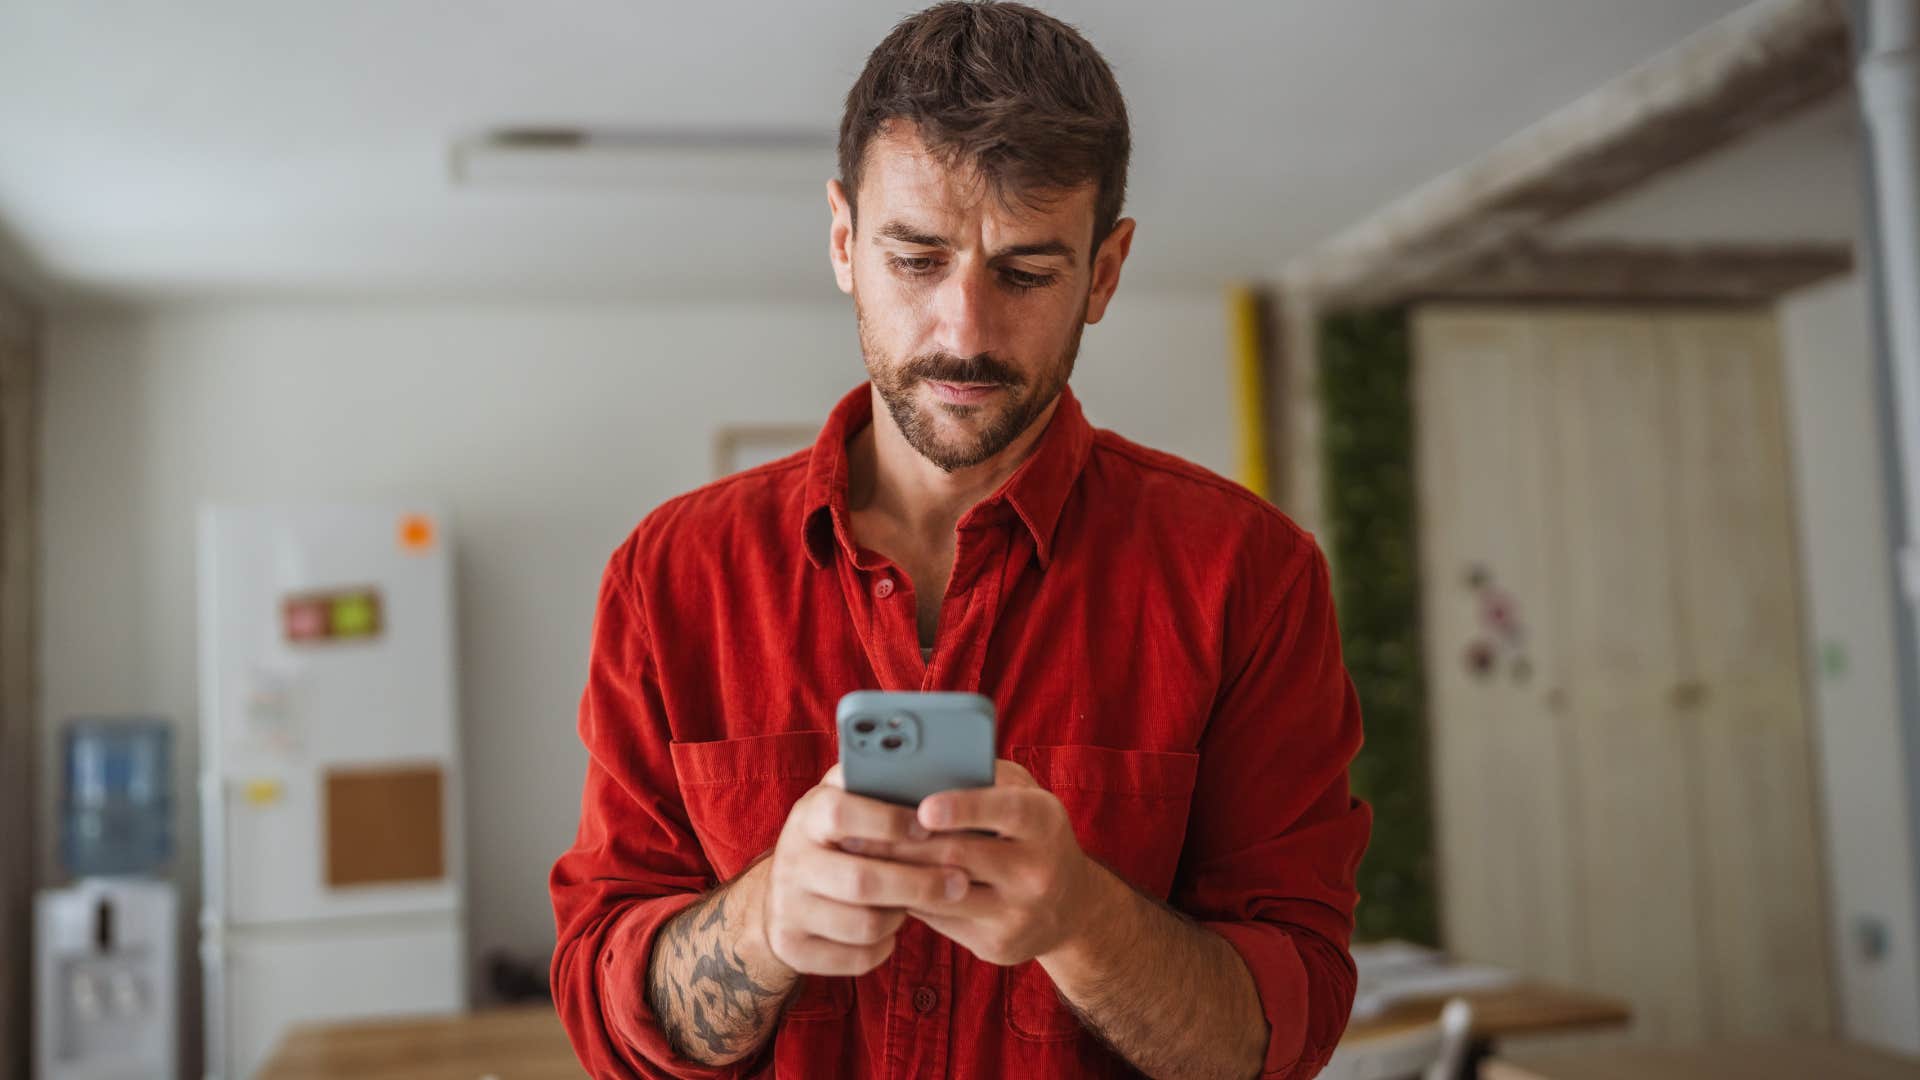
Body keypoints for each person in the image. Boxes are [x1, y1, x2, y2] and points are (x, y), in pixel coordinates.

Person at [549, 3, 1371, 1076]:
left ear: (1106, 274)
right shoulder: (672, 578)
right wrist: (765, 925)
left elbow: (1280, 1036)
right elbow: (601, 1009)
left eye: (1026, 273)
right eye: (917, 259)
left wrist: (1084, 917)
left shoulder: (1249, 578)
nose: (965, 332)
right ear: (845, 243)